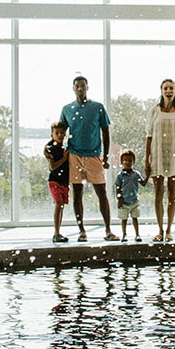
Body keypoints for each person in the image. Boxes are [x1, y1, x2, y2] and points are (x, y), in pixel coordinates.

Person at [58, 75, 116, 241]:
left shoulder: (97, 107)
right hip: (74, 155)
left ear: (87, 87)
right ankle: (82, 230)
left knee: (101, 192)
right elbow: (61, 133)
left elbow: (105, 132)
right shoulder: (67, 109)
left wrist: (105, 157)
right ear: (73, 88)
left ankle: (108, 230)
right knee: (77, 193)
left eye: (83, 86)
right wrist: (57, 154)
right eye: (77, 86)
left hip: (94, 155)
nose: (80, 89)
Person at [144, 79, 175, 242]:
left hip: (174, 155)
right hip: (157, 155)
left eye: (171, 88)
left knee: (172, 195)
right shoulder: (154, 111)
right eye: (166, 88)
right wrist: (146, 160)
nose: (168, 90)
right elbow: (149, 136)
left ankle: (169, 230)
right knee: (158, 194)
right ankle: (160, 230)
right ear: (161, 91)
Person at [44, 120, 72, 243]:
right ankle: (56, 233)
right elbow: (53, 166)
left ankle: (58, 232)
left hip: (64, 182)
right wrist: (64, 158)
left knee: (61, 207)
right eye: (57, 133)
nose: (60, 135)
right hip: (55, 181)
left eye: (62, 133)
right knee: (58, 204)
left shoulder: (65, 148)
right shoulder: (51, 149)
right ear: (52, 135)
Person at [114, 149, 147, 241]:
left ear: (133, 162)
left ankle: (137, 234)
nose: (127, 162)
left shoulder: (136, 174)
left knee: (135, 218)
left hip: (134, 201)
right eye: (125, 160)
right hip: (124, 201)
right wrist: (119, 199)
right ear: (121, 162)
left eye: (130, 161)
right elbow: (117, 188)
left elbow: (143, 183)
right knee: (124, 219)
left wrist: (147, 176)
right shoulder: (120, 175)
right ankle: (124, 234)